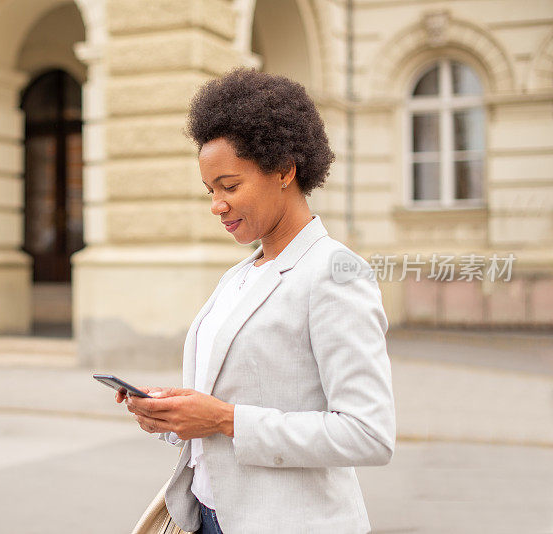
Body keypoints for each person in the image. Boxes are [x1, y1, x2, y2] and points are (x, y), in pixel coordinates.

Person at [116, 68, 396, 534]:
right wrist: (170, 416)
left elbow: (368, 434)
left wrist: (226, 420)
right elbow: (230, 402)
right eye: (211, 191)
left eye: (229, 186)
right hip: (208, 517)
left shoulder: (333, 273)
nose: (216, 205)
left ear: (285, 169)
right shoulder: (239, 275)